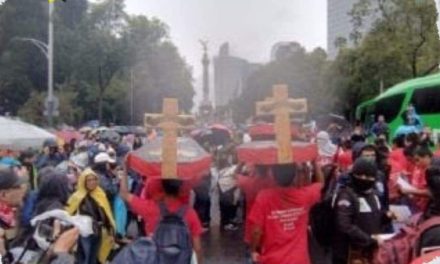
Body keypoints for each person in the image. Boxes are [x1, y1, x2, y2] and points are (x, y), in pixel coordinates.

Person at [119, 171, 203, 263]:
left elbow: (124, 194)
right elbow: (197, 248)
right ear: (180, 188)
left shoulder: (151, 208)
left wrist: (125, 166)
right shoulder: (190, 213)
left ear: (162, 187)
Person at [249, 162, 324, 264]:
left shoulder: (264, 197)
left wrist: (253, 250)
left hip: (273, 260)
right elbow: (321, 184)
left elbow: (256, 231)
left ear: (273, 175)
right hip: (299, 259)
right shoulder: (305, 195)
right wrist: (315, 162)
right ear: (294, 176)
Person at [332, 159, 393, 264]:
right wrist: (369, 239)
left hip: (370, 250)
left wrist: (386, 216)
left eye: (369, 176)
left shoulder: (374, 194)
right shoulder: (346, 195)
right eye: (360, 175)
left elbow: (376, 216)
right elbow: (344, 225)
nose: (364, 179)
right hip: (351, 252)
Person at [66, 168, 115, 264]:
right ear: (84, 181)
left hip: (98, 231)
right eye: (89, 180)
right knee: (85, 257)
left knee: (94, 256)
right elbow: (68, 213)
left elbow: (106, 213)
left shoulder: (100, 194)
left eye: (94, 179)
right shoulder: (77, 196)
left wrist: (110, 229)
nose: (92, 182)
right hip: (84, 233)